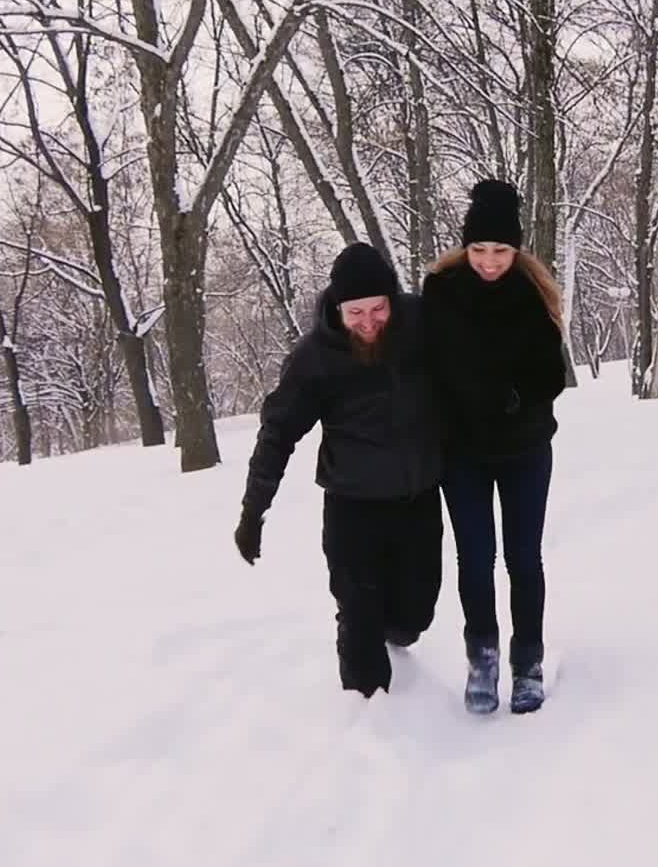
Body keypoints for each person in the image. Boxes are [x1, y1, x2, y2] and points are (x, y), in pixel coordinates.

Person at [234, 242, 443, 698]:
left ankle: (395, 629)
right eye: (356, 313)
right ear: (338, 307)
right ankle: (365, 720)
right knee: (358, 612)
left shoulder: (422, 325)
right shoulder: (316, 358)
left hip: (418, 500)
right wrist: (254, 512)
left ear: (391, 299)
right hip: (352, 507)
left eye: (377, 309)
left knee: (413, 618)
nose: (368, 322)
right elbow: (277, 434)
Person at [422, 180, 567, 714]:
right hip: (462, 451)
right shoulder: (440, 291)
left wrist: (512, 397)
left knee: (523, 557)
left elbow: (552, 375)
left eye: (500, 251)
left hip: (524, 448)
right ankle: (481, 657)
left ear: (516, 249)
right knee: (474, 558)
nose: (489, 261)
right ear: (465, 246)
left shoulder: (531, 294)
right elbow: (426, 366)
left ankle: (526, 663)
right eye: (479, 249)